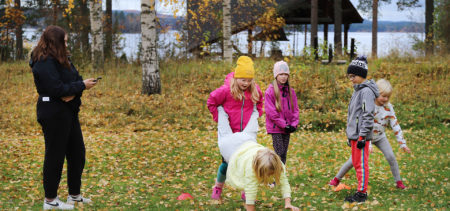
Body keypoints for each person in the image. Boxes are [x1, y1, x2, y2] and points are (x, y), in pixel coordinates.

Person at [30, 25, 97, 210]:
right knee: (55, 155)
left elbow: (76, 79)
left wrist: (77, 89)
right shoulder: (43, 61)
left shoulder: (62, 58)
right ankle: (50, 200)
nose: (67, 44)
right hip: (53, 113)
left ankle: (74, 195)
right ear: (54, 41)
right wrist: (78, 87)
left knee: (77, 153)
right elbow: (56, 89)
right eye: (64, 41)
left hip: (69, 111)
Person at [329, 79, 410, 189]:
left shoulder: (388, 107)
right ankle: (336, 179)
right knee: (354, 160)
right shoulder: (368, 105)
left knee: (391, 157)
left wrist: (402, 143)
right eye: (383, 96)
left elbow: (395, 125)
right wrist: (369, 144)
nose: (385, 99)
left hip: (380, 137)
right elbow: (364, 125)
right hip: (366, 137)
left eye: (388, 97)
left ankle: (399, 182)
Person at [218, 106, 299, 211]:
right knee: (224, 132)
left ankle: (255, 108)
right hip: (233, 149)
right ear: (257, 169)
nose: (270, 176)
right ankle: (220, 109)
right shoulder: (251, 169)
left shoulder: (278, 165)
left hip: (248, 141)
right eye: (267, 173)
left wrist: (288, 203)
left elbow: (284, 182)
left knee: (252, 121)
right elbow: (251, 192)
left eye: (271, 173)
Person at [207, 56, 264, 200]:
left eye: (249, 80)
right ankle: (218, 187)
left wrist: (258, 114)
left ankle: (246, 191)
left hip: (247, 134)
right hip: (229, 134)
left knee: (248, 163)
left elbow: (260, 101)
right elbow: (211, 102)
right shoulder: (226, 90)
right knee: (226, 164)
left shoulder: (255, 89)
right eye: (243, 80)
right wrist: (219, 119)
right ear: (236, 77)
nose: (246, 83)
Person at [340, 56, 379, 203]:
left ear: (361, 75)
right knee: (356, 164)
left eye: (353, 76)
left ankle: (361, 194)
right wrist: (351, 135)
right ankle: (359, 190)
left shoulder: (366, 92)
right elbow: (353, 115)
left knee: (362, 165)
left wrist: (362, 136)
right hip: (355, 136)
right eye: (349, 76)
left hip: (361, 136)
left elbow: (367, 115)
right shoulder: (357, 90)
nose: (350, 79)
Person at [265, 61, 299, 166]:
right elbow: (271, 113)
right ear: (276, 75)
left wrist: (293, 124)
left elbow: (295, 110)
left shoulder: (290, 91)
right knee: (278, 153)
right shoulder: (270, 91)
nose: (283, 77)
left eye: (285, 74)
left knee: (283, 154)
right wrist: (284, 125)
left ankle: (280, 176)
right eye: (281, 74)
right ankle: (273, 177)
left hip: (287, 127)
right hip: (276, 128)